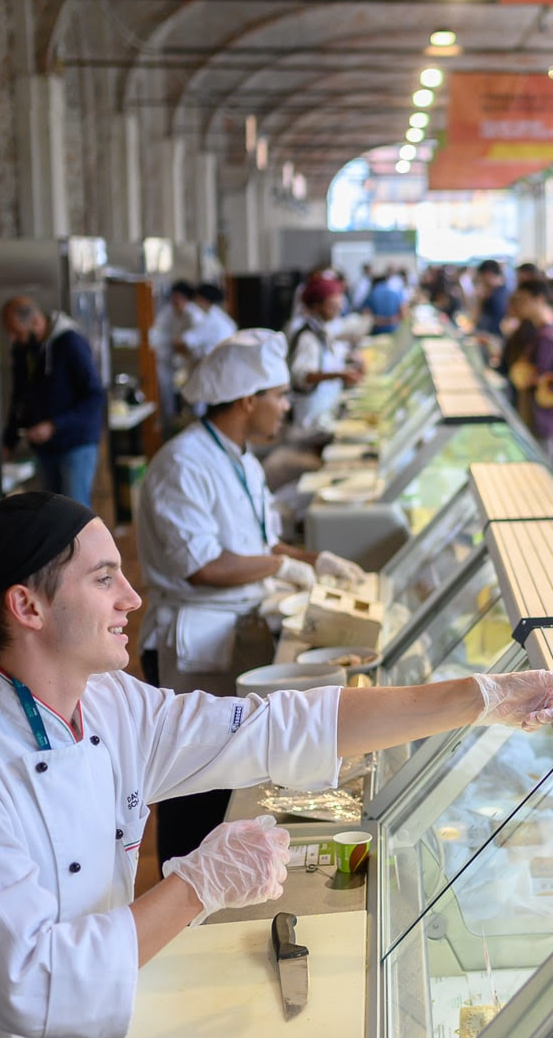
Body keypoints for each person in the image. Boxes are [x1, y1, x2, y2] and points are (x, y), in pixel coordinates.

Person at [0, 490, 553, 1037]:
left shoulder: (111, 704)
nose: (132, 597)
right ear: (26, 606)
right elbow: (33, 986)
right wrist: (197, 885)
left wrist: (482, 697)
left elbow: (281, 725)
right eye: (105, 578)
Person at [137, 330, 366, 860]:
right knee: (194, 791)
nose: (286, 406)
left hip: (232, 634)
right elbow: (203, 567)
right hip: (192, 647)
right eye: (279, 395)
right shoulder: (183, 464)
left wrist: (314, 560)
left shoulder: (240, 458)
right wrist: (283, 566)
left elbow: (260, 544)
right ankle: (179, 888)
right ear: (247, 399)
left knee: (229, 779)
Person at [0, 296, 106, 506]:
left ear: (36, 322)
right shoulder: (22, 350)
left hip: (76, 444)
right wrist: (8, 442)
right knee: (50, 513)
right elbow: (19, 398)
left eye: (17, 332)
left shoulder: (70, 343)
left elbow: (94, 397)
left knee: (74, 513)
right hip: (45, 449)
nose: (12, 338)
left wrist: (54, 425)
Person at [503, 279, 553, 456]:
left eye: (524, 300)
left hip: (541, 418)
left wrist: (523, 374)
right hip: (537, 416)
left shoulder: (547, 336)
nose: (520, 305)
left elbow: (535, 376)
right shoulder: (542, 333)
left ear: (539, 299)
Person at [285, 273, 359, 429]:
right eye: (332, 306)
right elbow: (302, 376)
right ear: (316, 306)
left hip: (323, 411)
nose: (337, 310)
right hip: (310, 418)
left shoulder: (323, 329)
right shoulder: (307, 337)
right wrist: (338, 375)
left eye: (339, 306)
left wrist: (350, 358)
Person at [149, 280, 197, 423]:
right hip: (166, 360)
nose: (176, 303)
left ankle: (190, 419)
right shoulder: (168, 312)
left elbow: (190, 341)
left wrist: (181, 344)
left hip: (190, 361)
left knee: (193, 396)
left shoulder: (193, 314)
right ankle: (170, 421)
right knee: (166, 394)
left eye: (179, 299)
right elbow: (155, 335)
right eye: (174, 299)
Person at [184, 282, 237, 363]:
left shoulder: (211, 320)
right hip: (223, 360)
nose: (195, 302)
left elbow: (186, 340)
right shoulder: (220, 316)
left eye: (196, 298)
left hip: (216, 362)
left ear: (202, 299)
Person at [359, 269, 407, 336]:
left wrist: (382, 321)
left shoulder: (370, 295)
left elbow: (366, 317)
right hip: (394, 331)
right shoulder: (395, 293)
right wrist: (392, 320)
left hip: (377, 333)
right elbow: (404, 313)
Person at [473, 259, 509, 339]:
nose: (481, 280)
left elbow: (497, 321)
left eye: (481, 276)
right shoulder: (494, 291)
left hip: (492, 338)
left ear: (488, 274)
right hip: (487, 337)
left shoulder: (499, 295)